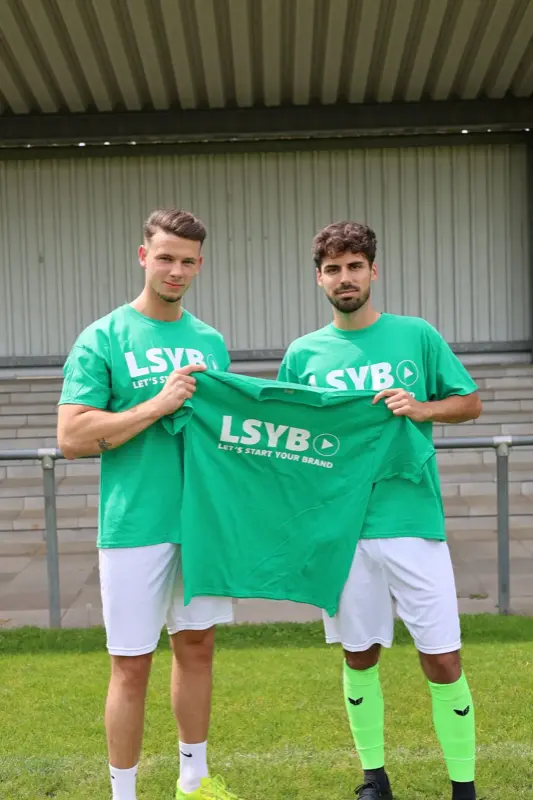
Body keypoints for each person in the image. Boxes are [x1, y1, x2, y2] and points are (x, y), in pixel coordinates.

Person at [277, 221, 483, 800]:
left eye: (355, 266)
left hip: (412, 520)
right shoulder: (304, 354)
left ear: (373, 271)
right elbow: (288, 436)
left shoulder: (415, 336)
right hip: (343, 528)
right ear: (320, 279)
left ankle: (463, 787)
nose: (346, 278)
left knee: (441, 658)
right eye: (334, 269)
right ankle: (374, 780)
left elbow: (470, 403)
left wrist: (420, 409)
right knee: (359, 653)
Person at [57, 208, 242, 800]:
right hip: (135, 524)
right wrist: (155, 406)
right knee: (131, 663)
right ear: (143, 256)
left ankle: (194, 780)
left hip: (201, 523)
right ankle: (125, 793)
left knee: (198, 647)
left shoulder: (210, 342)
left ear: (200, 265)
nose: (176, 270)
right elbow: (73, 438)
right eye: (165, 257)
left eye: (188, 261)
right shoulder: (104, 336)